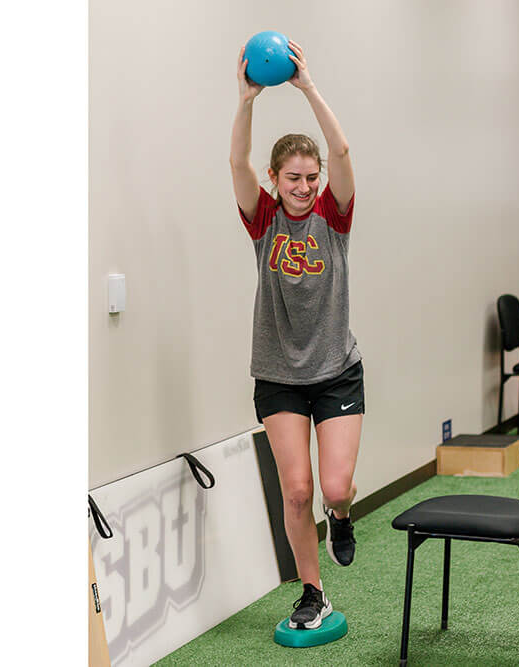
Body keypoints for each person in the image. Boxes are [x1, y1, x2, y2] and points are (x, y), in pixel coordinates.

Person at [230, 39, 362, 631]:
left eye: (311, 177)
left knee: (334, 488)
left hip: (336, 368)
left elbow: (340, 148)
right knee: (299, 489)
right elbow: (236, 165)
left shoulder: (335, 216)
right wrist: (246, 101)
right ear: (277, 178)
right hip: (279, 373)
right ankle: (313, 591)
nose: (304, 186)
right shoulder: (263, 219)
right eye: (294, 177)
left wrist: (307, 87)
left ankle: (344, 514)